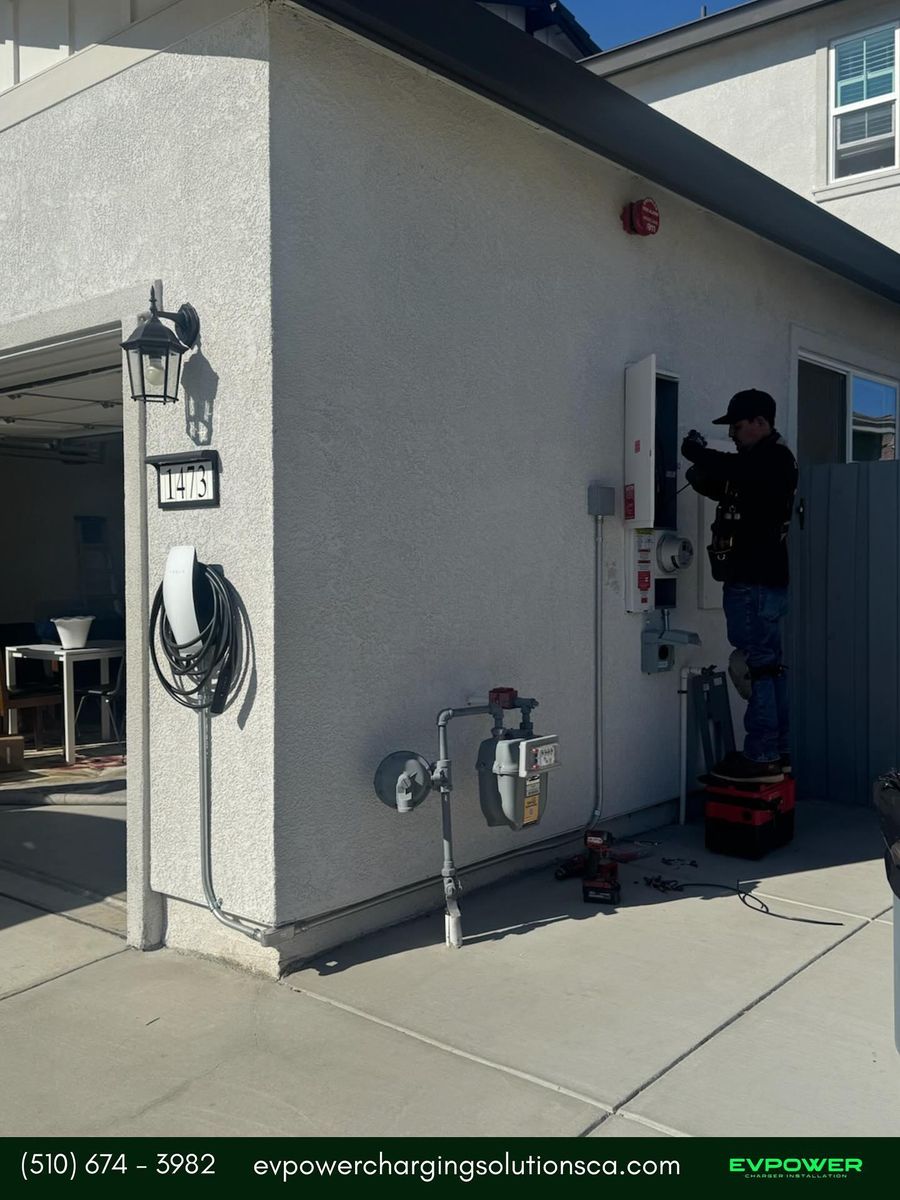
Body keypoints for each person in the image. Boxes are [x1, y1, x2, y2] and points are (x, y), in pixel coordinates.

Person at [681, 389, 798, 784]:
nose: (731, 433)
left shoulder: (774, 458)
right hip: (759, 582)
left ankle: (762, 753)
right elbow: (736, 489)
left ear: (761, 424)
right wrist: (702, 481)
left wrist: (695, 453)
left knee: (757, 667)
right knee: (768, 666)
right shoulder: (761, 465)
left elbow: (739, 473)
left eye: (737, 425)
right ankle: (776, 752)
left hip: (754, 583)